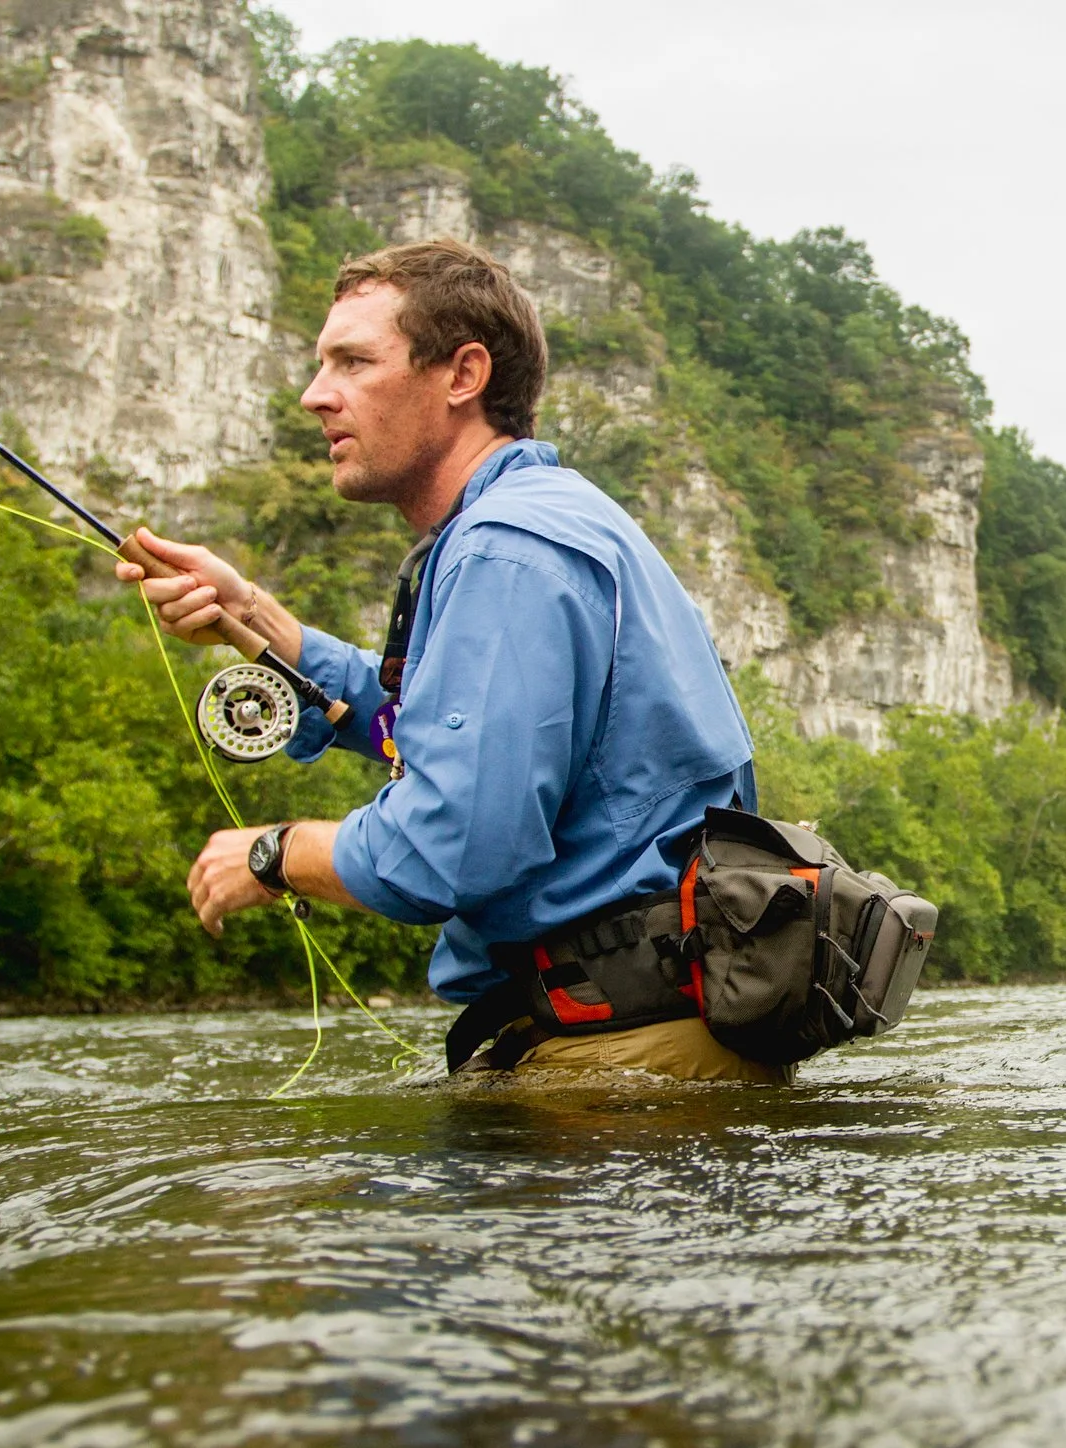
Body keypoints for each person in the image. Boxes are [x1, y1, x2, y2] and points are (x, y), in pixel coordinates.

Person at [119, 239, 775, 1081]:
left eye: (354, 361)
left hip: (620, 1071)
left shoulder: (507, 549)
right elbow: (441, 732)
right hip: (652, 1044)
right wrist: (252, 618)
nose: (315, 394)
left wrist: (274, 854)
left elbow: (452, 845)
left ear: (463, 374)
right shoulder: (550, 518)